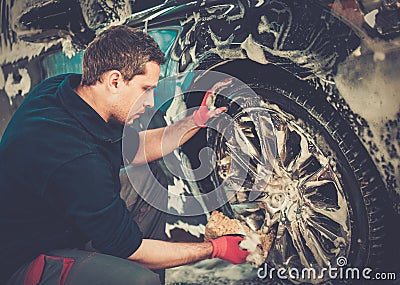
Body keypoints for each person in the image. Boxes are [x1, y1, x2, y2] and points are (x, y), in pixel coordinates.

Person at [0, 25, 249, 285]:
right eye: (145, 89)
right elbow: (131, 250)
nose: (151, 102)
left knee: (150, 184)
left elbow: (136, 149)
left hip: (57, 221)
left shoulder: (61, 91)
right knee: (139, 280)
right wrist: (215, 249)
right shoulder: (78, 160)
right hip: (23, 262)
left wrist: (196, 121)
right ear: (115, 81)